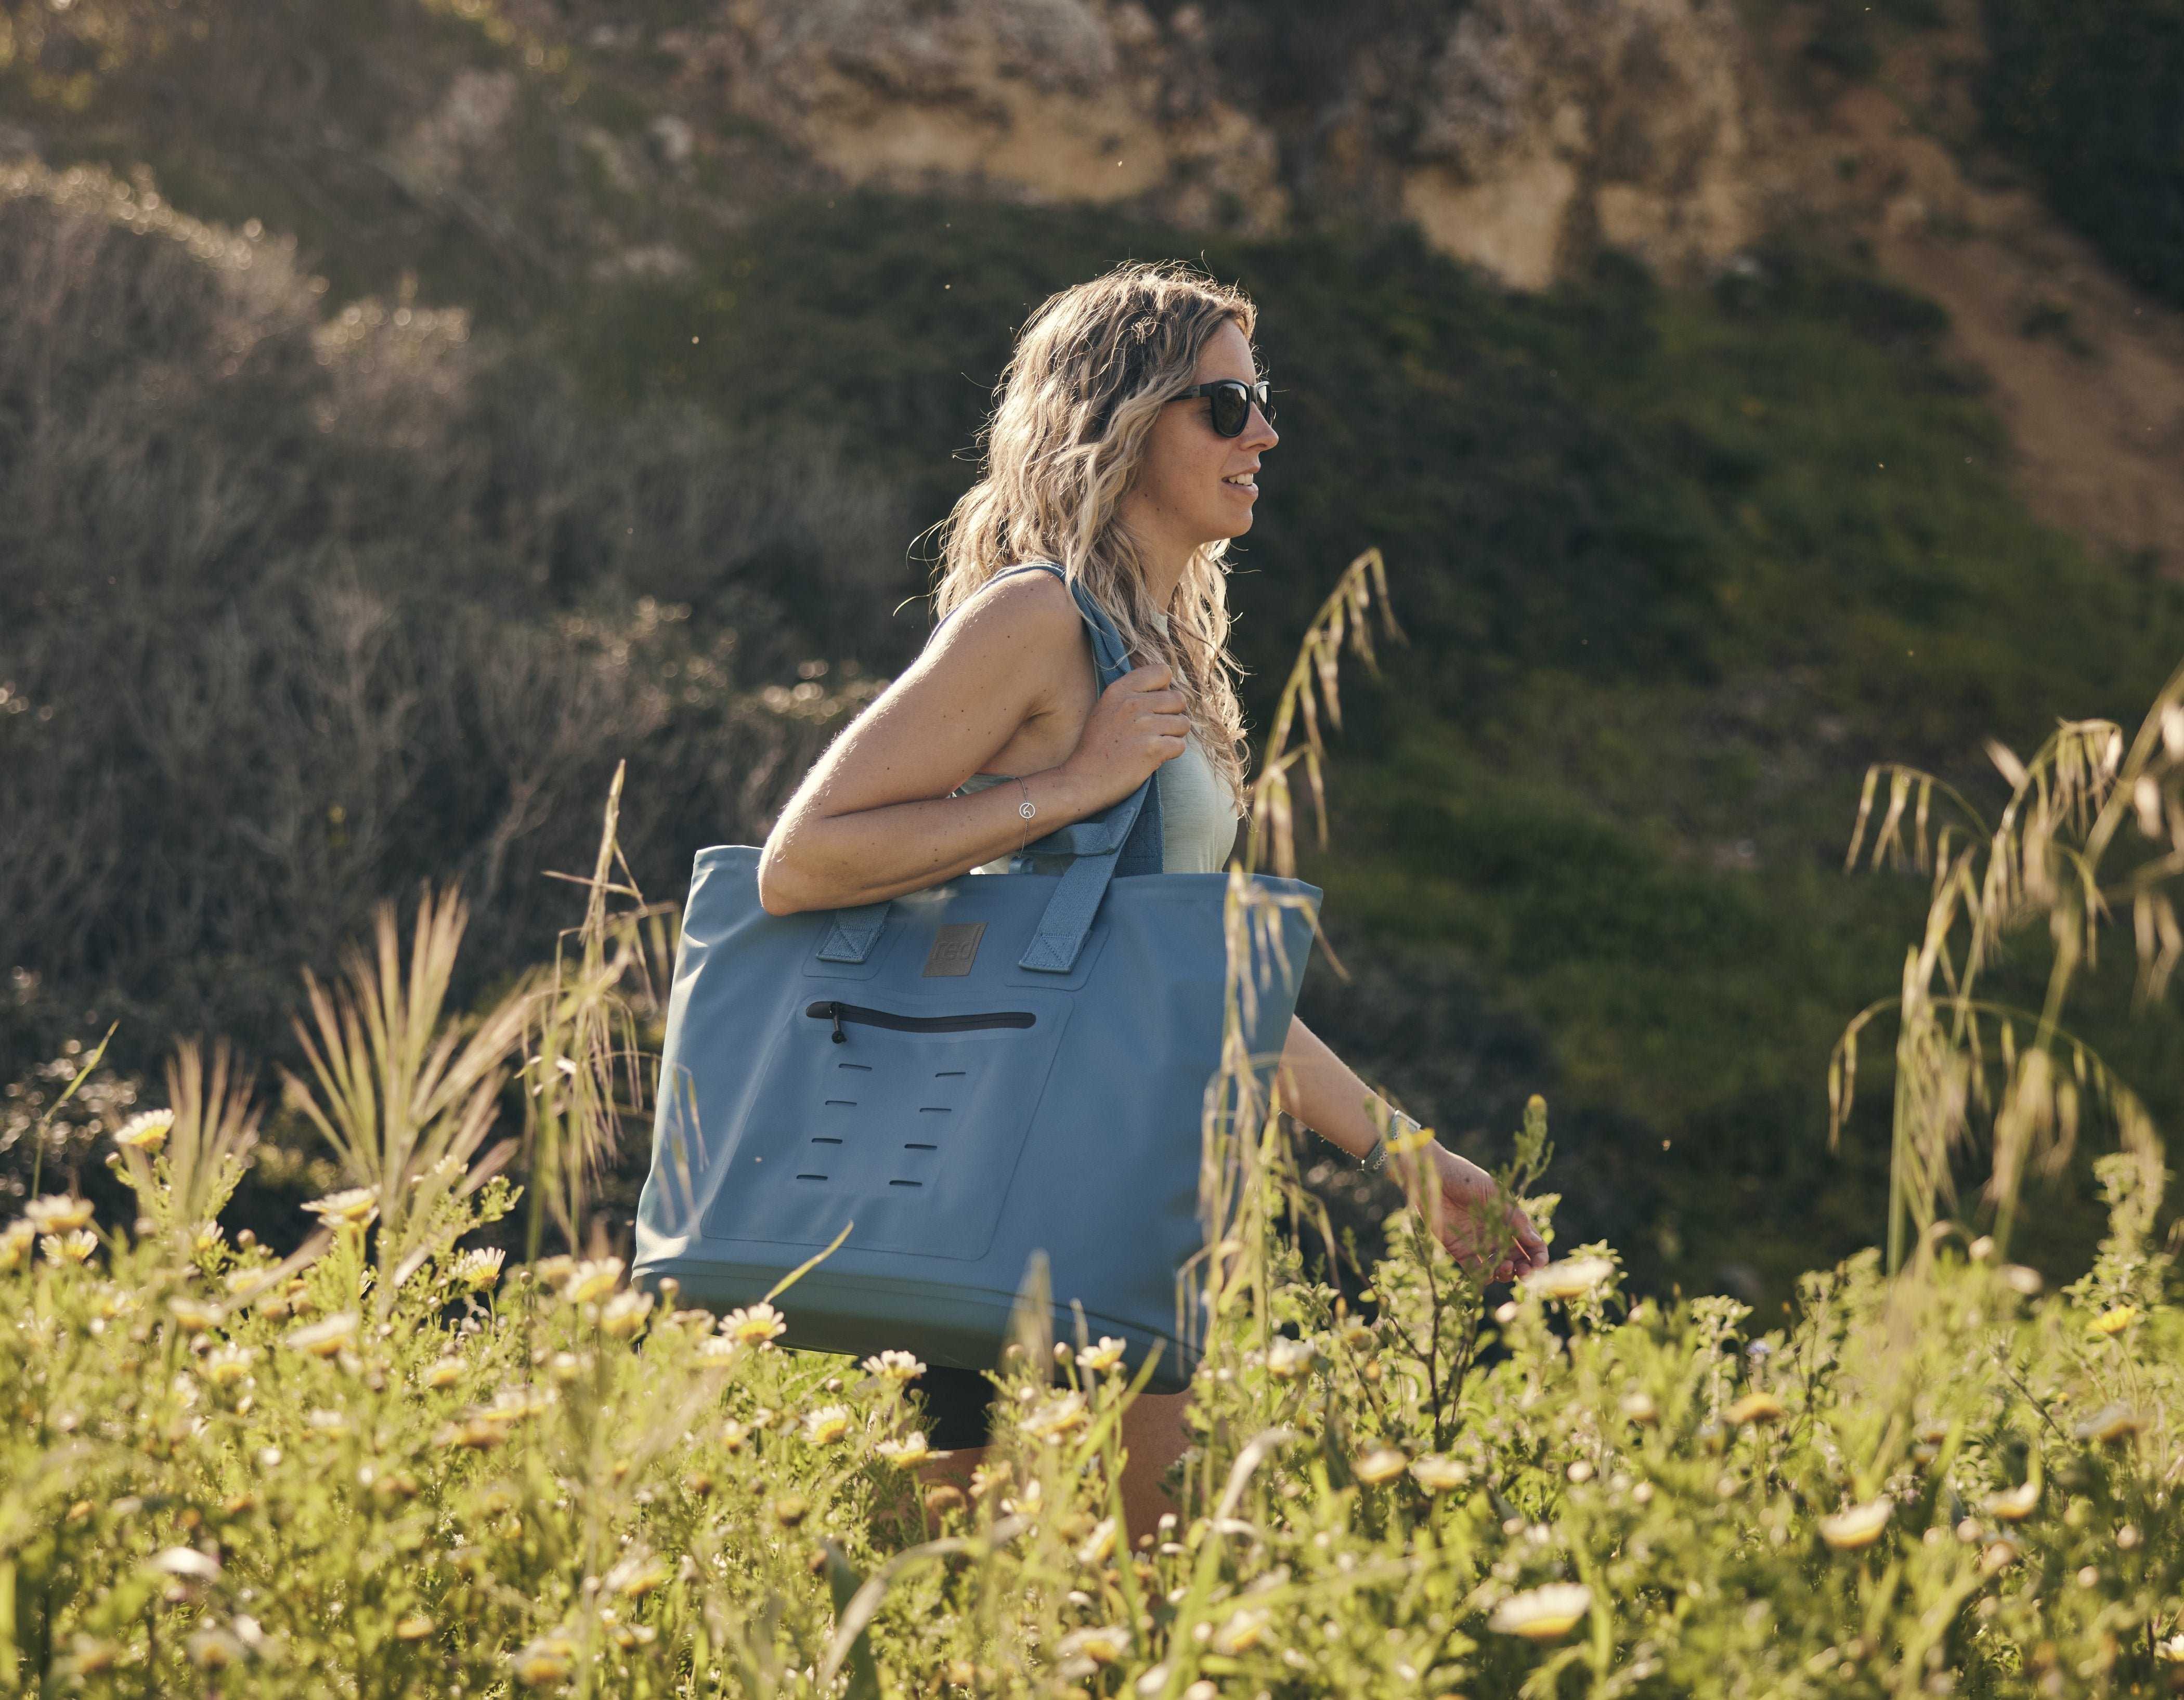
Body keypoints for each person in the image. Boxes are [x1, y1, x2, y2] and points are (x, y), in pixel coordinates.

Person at [755, 260, 1549, 1534]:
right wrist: (1072, 786)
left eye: (1262, 400)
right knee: (1026, 1590)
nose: (1265, 434)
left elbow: (1192, 970)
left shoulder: (1158, 644)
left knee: (1115, 1583)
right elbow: (804, 859)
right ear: (1117, 423)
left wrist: (1415, 1162)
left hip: (1110, 1180)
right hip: (1006, 1179)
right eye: (1223, 407)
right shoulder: (1036, 621)